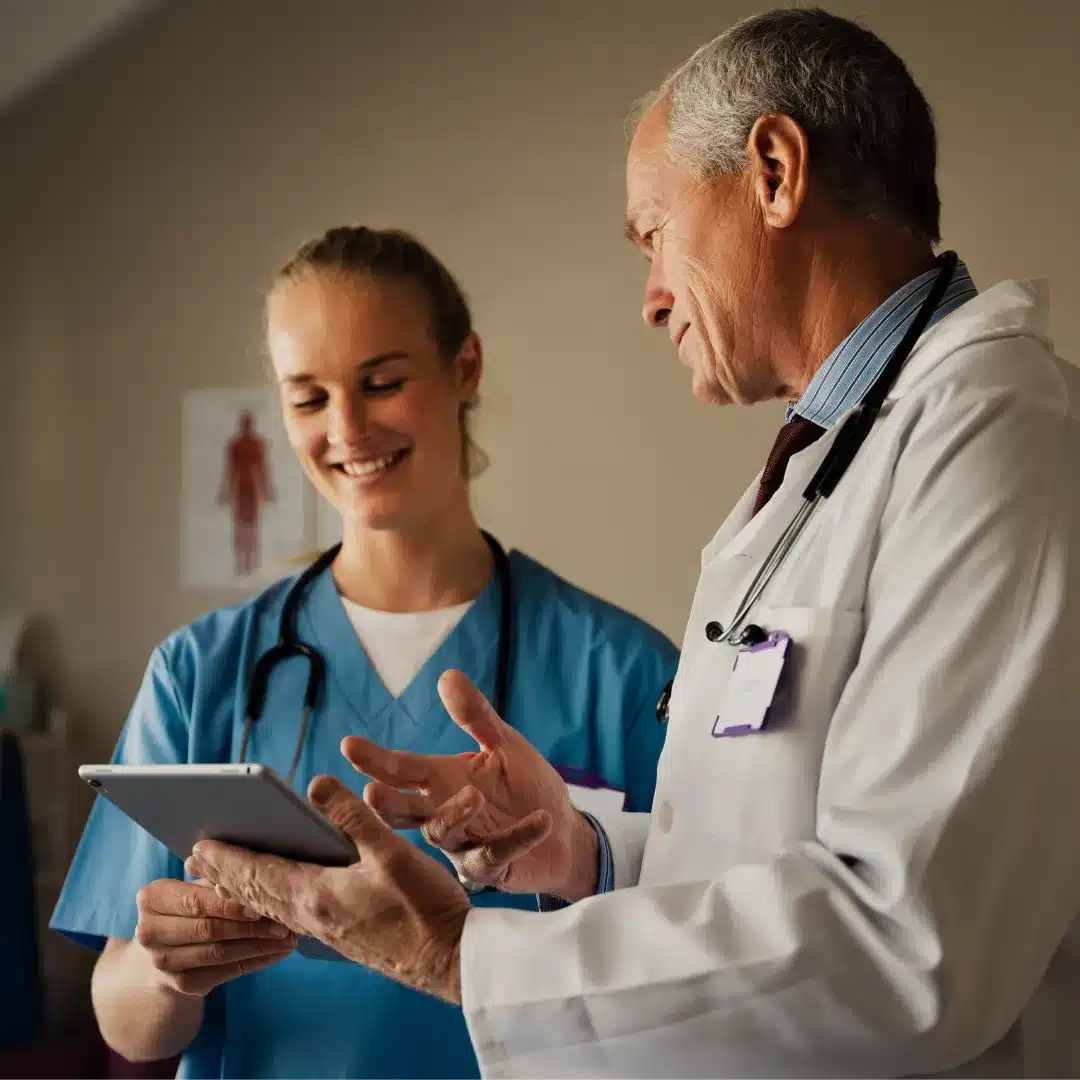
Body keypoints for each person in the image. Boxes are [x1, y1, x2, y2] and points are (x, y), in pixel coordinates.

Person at [187, 9, 1080, 1080]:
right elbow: (778, 859)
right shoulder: (827, 467)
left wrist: (463, 955)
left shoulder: (997, 433)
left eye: (654, 233)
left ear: (775, 172)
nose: (653, 298)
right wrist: (588, 851)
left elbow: (909, 937)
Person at [50, 226, 677, 1080]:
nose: (347, 428)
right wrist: (167, 969)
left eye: (382, 382)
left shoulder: (626, 673)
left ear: (466, 368)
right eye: (307, 399)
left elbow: (692, 972)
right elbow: (126, 1025)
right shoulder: (202, 673)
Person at [217, 411, 275, 576]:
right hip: (241, 489)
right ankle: (241, 562)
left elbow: (263, 469)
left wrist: (267, 490)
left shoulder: (257, 444)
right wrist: (225, 492)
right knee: (241, 527)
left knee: (252, 526)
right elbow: (229, 471)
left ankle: (251, 562)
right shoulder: (236, 445)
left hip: (252, 489)